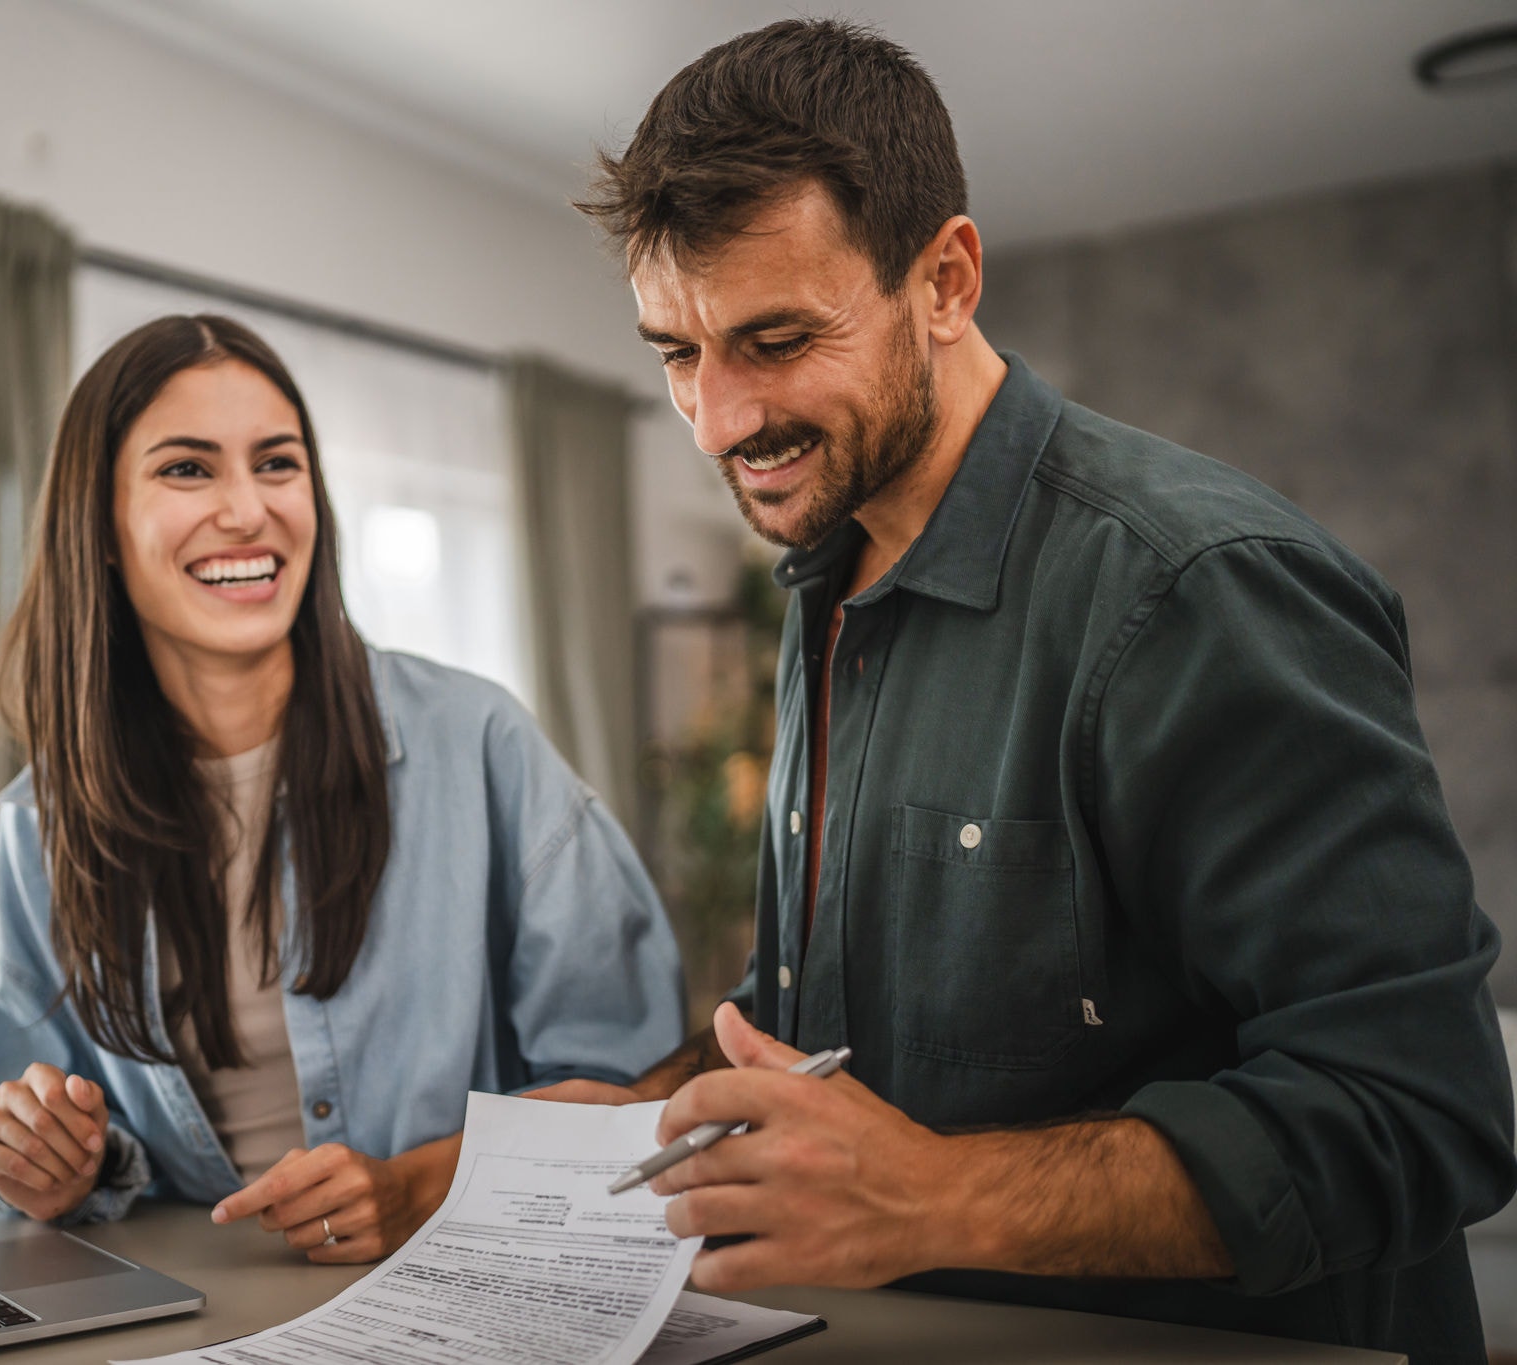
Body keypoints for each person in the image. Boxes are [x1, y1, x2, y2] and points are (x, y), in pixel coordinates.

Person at [545, 18, 1516, 1362]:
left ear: (945, 280)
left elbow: (1424, 1112)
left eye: (776, 339)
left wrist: (935, 1196)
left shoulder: (1200, 590)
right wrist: (650, 1110)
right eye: (676, 352)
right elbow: (869, 1028)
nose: (717, 419)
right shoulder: (824, 574)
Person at [0, 314, 683, 1262]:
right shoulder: (46, 822)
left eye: (277, 463)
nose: (248, 510)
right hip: (195, 1312)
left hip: (466, 1293)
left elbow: (640, 1090)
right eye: (188, 468)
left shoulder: (478, 741)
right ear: (97, 526)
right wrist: (52, 1165)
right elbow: (3, 1131)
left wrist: (419, 1189)